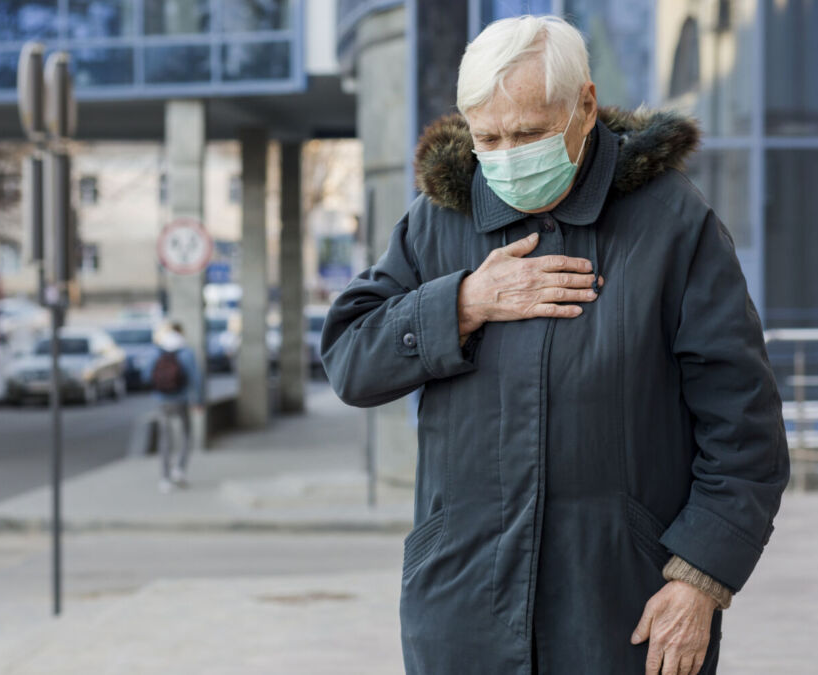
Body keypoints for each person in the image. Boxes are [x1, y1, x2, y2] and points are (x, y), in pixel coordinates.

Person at [321, 15, 789, 675]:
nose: (507, 155)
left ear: (586, 106)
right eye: (488, 137)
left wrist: (701, 578)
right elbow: (349, 359)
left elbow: (745, 430)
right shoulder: (440, 219)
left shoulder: (673, 223)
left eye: (529, 133)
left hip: (624, 614)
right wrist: (463, 303)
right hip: (463, 615)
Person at [144, 321, 203, 493]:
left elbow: (147, 375)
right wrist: (198, 401)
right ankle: (179, 469)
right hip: (181, 400)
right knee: (186, 434)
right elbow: (196, 378)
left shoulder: (157, 350)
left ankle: (165, 478)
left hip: (161, 401)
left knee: (165, 439)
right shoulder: (186, 352)